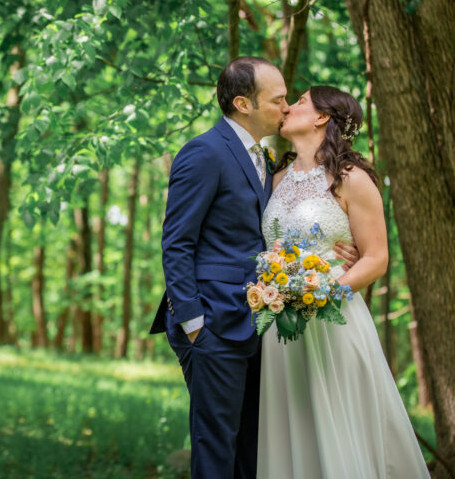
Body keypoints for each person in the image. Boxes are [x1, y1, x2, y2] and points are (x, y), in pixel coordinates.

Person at [150, 58, 358, 478]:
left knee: (252, 450)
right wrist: (193, 322)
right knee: (216, 450)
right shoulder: (204, 152)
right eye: (278, 98)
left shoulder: (266, 161)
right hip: (212, 324)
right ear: (243, 103)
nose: (285, 107)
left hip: (257, 323)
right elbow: (177, 242)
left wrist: (328, 256)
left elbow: (268, 235)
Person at [257, 85, 430, 478]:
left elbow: (376, 258)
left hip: (333, 319)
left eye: (299, 101)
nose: (287, 107)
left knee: (339, 426)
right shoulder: (276, 177)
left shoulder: (351, 178)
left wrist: (325, 293)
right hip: (281, 326)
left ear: (321, 117)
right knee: (292, 427)